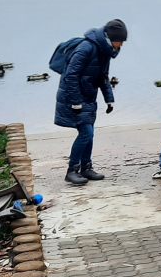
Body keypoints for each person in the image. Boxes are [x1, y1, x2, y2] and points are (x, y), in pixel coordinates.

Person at [54, 19, 126, 185]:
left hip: (88, 98)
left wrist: (109, 99)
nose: (121, 44)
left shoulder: (105, 51)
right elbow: (70, 75)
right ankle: (72, 170)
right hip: (73, 98)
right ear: (111, 37)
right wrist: (76, 101)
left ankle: (86, 168)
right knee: (86, 132)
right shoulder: (87, 47)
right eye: (120, 40)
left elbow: (103, 76)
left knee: (89, 133)